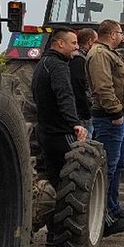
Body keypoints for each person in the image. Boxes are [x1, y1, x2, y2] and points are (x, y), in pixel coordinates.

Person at [86, 19, 124, 235]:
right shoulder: (99, 54)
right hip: (110, 119)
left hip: (121, 116)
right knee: (109, 165)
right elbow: (103, 87)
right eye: (120, 32)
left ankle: (114, 208)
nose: (122, 35)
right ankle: (105, 215)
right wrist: (115, 111)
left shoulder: (112, 53)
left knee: (118, 164)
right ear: (111, 33)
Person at [33, 27, 89, 191]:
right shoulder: (58, 66)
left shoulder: (42, 64)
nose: (77, 47)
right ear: (60, 44)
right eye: (73, 43)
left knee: (55, 179)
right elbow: (65, 95)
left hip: (45, 132)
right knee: (76, 183)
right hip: (61, 134)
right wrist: (75, 123)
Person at [71, 28, 98, 139]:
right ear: (90, 42)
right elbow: (79, 86)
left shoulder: (77, 58)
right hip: (82, 112)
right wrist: (86, 111)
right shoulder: (80, 60)